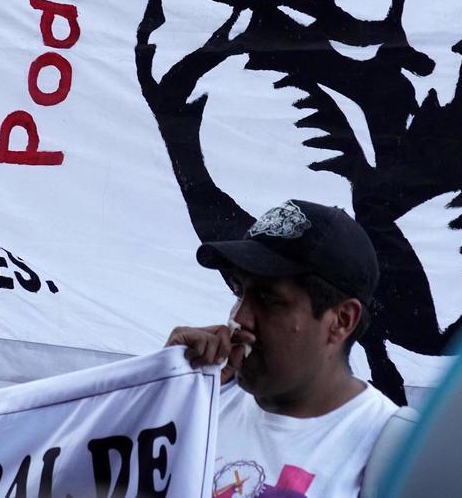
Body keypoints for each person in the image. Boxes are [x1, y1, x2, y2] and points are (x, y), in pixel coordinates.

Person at [166, 199, 398, 498]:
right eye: (239, 292)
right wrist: (160, 398)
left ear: (341, 321)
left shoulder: (394, 455)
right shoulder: (200, 404)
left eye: (269, 299)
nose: (238, 318)